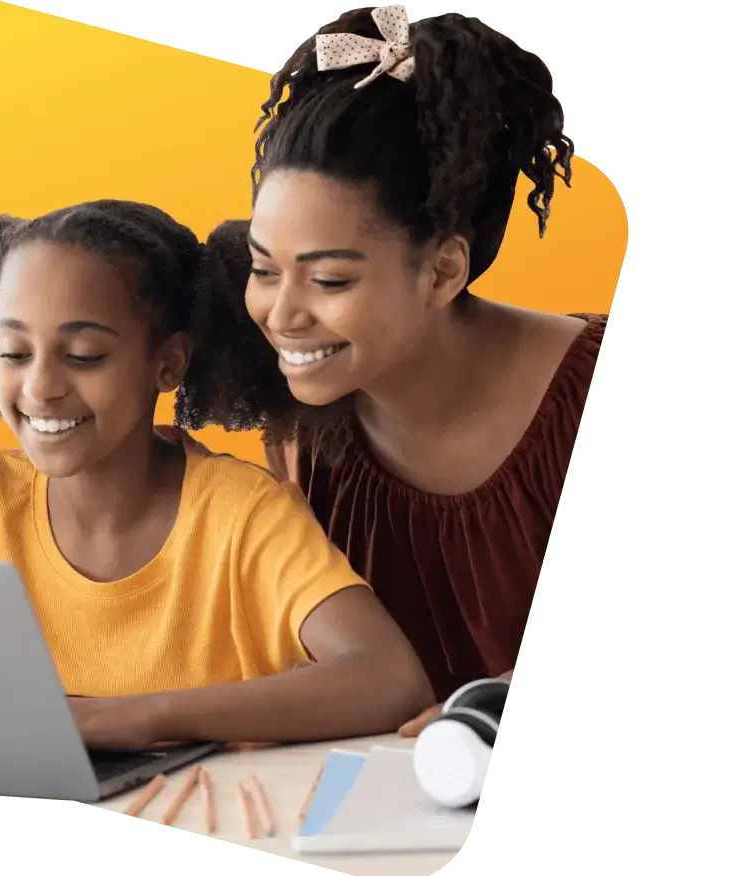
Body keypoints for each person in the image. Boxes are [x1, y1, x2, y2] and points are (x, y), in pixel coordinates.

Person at [173, 5, 607, 735]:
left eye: (330, 280)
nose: (281, 313)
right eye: (262, 269)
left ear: (442, 271)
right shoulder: (300, 436)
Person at [0, 199, 434, 750]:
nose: (40, 387)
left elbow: (390, 677)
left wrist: (137, 719)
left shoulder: (240, 516)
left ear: (167, 364)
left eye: (85, 355)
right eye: (15, 352)